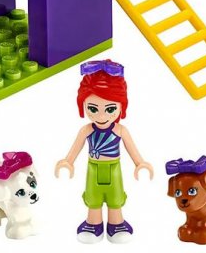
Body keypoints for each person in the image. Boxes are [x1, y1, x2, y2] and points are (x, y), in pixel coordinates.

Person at [55, 59, 153, 243]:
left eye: (110, 109)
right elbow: (75, 149)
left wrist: (140, 164)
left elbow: (133, 150)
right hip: (93, 169)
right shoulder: (86, 130)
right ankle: (94, 224)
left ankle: (116, 224)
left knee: (116, 197)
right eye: (93, 108)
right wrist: (68, 162)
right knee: (93, 197)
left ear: (121, 106)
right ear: (83, 105)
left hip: (114, 169)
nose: (101, 116)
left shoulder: (121, 130)